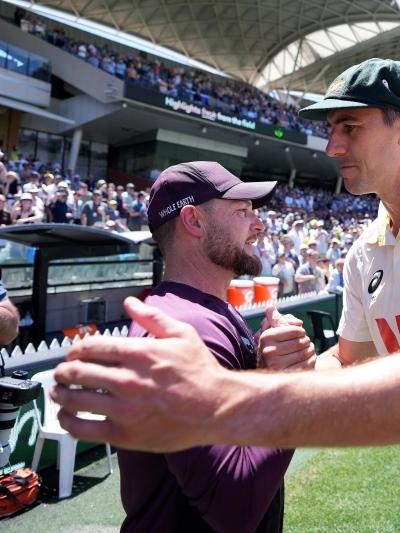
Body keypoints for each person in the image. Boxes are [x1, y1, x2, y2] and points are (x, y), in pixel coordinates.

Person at [54, 58, 400, 532]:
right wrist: (289, 368)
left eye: (349, 127)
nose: (332, 146)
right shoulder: (365, 250)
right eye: (331, 129)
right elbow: (349, 360)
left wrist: (232, 400)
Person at [116, 161, 311, 532]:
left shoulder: (204, 311)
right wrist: (287, 384)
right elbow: (234, 507)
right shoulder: (183, 327)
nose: (259, 224)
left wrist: (262, 367)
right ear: (194, 221)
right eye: (241, 211)